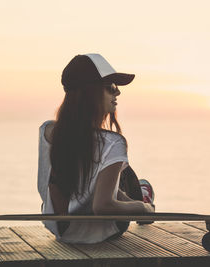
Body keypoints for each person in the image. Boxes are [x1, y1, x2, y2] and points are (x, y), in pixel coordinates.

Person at [37, 53, 155, 243]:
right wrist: (143, 209)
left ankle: (139, 195)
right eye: (111, 87)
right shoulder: (113, 142)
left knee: (100, 171)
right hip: (104, 231)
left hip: (62, 232)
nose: (117, 93)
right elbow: (103, 206)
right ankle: (143, 196)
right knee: (126, 174)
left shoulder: (47, 132)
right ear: (90, 91)